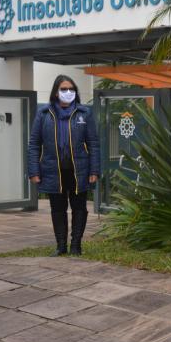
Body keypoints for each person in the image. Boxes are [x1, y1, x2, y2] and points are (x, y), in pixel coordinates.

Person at [28, 75, 100, 256]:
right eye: (64, 89)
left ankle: (76, 245)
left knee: (79, 208)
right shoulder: (44, 114)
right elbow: (34, 144)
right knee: (57, 209)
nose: (68, 92)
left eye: (71, 89)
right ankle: (61, 245)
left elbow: (93, 143)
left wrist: (94, 170)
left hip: (79, 170)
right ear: (55, 92)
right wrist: (34, 171)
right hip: (53, 170)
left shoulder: (84, 113)